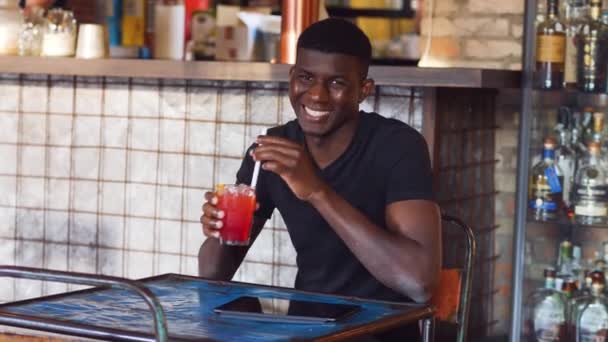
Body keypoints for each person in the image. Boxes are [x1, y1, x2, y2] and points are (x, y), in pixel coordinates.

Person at [199, 18, 441, 341]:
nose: (316, 95)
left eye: (337, 83)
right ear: (291, 79)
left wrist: (317, 191)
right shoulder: (273, 150)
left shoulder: (398, 147)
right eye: (306, 77)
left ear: (364, 90)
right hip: (307, 331)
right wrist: (218, 229)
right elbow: (215, 276)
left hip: (380, 332)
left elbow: (420, 282)